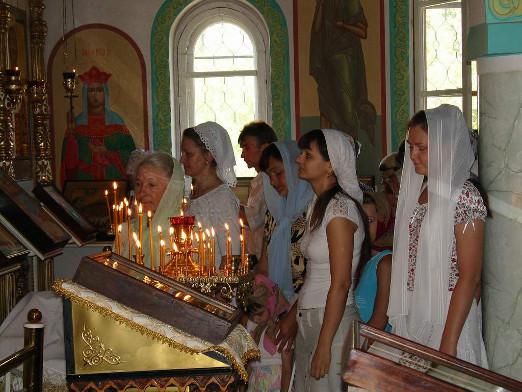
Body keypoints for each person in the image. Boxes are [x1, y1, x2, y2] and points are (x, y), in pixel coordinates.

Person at [388, 105, 489, 367]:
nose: (413, 155)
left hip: (448, 314)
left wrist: (449, 342)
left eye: (421, 148)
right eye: (410, 147)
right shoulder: (420, 193)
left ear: (445, 145)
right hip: (416, 309)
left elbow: (469, 275)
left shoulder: (464, 195)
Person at [292, 129, 370, 391]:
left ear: (330, 166)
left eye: (307, 155)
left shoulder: (339, 210)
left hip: (332, 323)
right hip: (313, 317)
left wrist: (324, 345)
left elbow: (341, 283)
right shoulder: (319, 203)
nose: (299, 159)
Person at [309, 0, 376, 140]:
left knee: (346, 106)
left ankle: (350, 147)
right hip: (327, 61)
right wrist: (320, 5)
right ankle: (325, 149)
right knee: (326, 104)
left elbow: (362, 32)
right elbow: (316, 29)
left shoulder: (351, 3)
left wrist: (343, 25)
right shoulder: (325, 4)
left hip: (346, 62)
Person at [256, 141, 313, 302]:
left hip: (307, 300)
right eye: (269, 176)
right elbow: (264, 263)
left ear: (294, 169)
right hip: (277, 299)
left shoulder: (313, 209)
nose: (273, 182)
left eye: (278, 173)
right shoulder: (274, 213)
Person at [61, 66, 136, 185]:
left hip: (114, 183)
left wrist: (107, 152)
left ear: (105, 93)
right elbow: (69, 163)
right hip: (85, 184)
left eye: (99, 90)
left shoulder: (116, 121)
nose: (95, 95)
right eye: (91, 91)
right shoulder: (78, 123)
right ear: (85, 94)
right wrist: (71, 134)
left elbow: (131, 155)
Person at [181, 122, 240, 267]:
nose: (182, 159)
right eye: (182, 153)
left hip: (213, 284)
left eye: (189, 154)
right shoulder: (191, 195)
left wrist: (218, 288)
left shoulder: (222, 198)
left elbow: (231, 254)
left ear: (208, 156)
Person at [118, 152, 185, 268]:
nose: (142, 192)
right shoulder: (126, 231)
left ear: (171, 190)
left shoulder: (185, 236)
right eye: (138, 184)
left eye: (151, 185)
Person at [244, 274, 293, 392]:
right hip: (255, 382)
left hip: (274, 383)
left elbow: (287, 369)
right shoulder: (253, 329)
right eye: (252, 315)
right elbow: (251, 364)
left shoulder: (280, 330)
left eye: (260, 314)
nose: (256, 319)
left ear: (270, 306)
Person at [238, 121, 278, 260]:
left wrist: (223, 201)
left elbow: (251, 219)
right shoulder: (259, 179)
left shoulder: (269, 180)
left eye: (246, 148)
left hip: (264, 255)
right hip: (255, 251)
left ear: (265, 148)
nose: (242, 155)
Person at [355, 193, 392, 332]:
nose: (363, 227)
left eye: (370, 221)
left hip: (371, 348)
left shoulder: (385, 262)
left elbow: (379, 323)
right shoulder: (353, 263)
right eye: (359, 220)